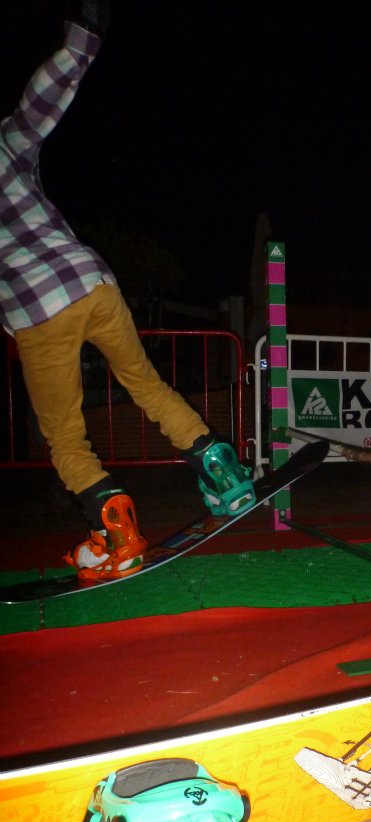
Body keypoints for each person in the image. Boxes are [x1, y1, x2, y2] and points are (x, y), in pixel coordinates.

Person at [0, 3, 254, 581]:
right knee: (146, 384)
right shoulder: (5, 147)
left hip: (37, 312)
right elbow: (39, 103)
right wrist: (83, 37)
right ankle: (224, 473)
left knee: (65, 437)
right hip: (92, 280)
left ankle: (115, 531)